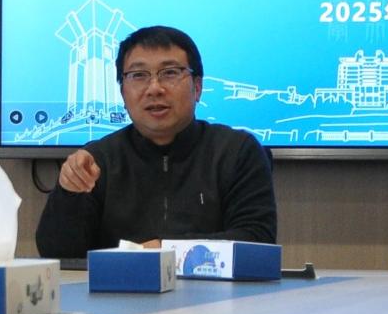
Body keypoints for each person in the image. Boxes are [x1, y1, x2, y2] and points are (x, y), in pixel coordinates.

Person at [36, 25, 277, 257]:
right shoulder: (98, 160)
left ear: (197, 87)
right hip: (120, 286)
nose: (154, 88)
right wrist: (69, 193)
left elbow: (257, 240)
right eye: (139, 75)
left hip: (213, 287)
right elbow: (58, 253)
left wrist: (165, 250)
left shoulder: (237, 151)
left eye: (170, 73)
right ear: (122, 93)